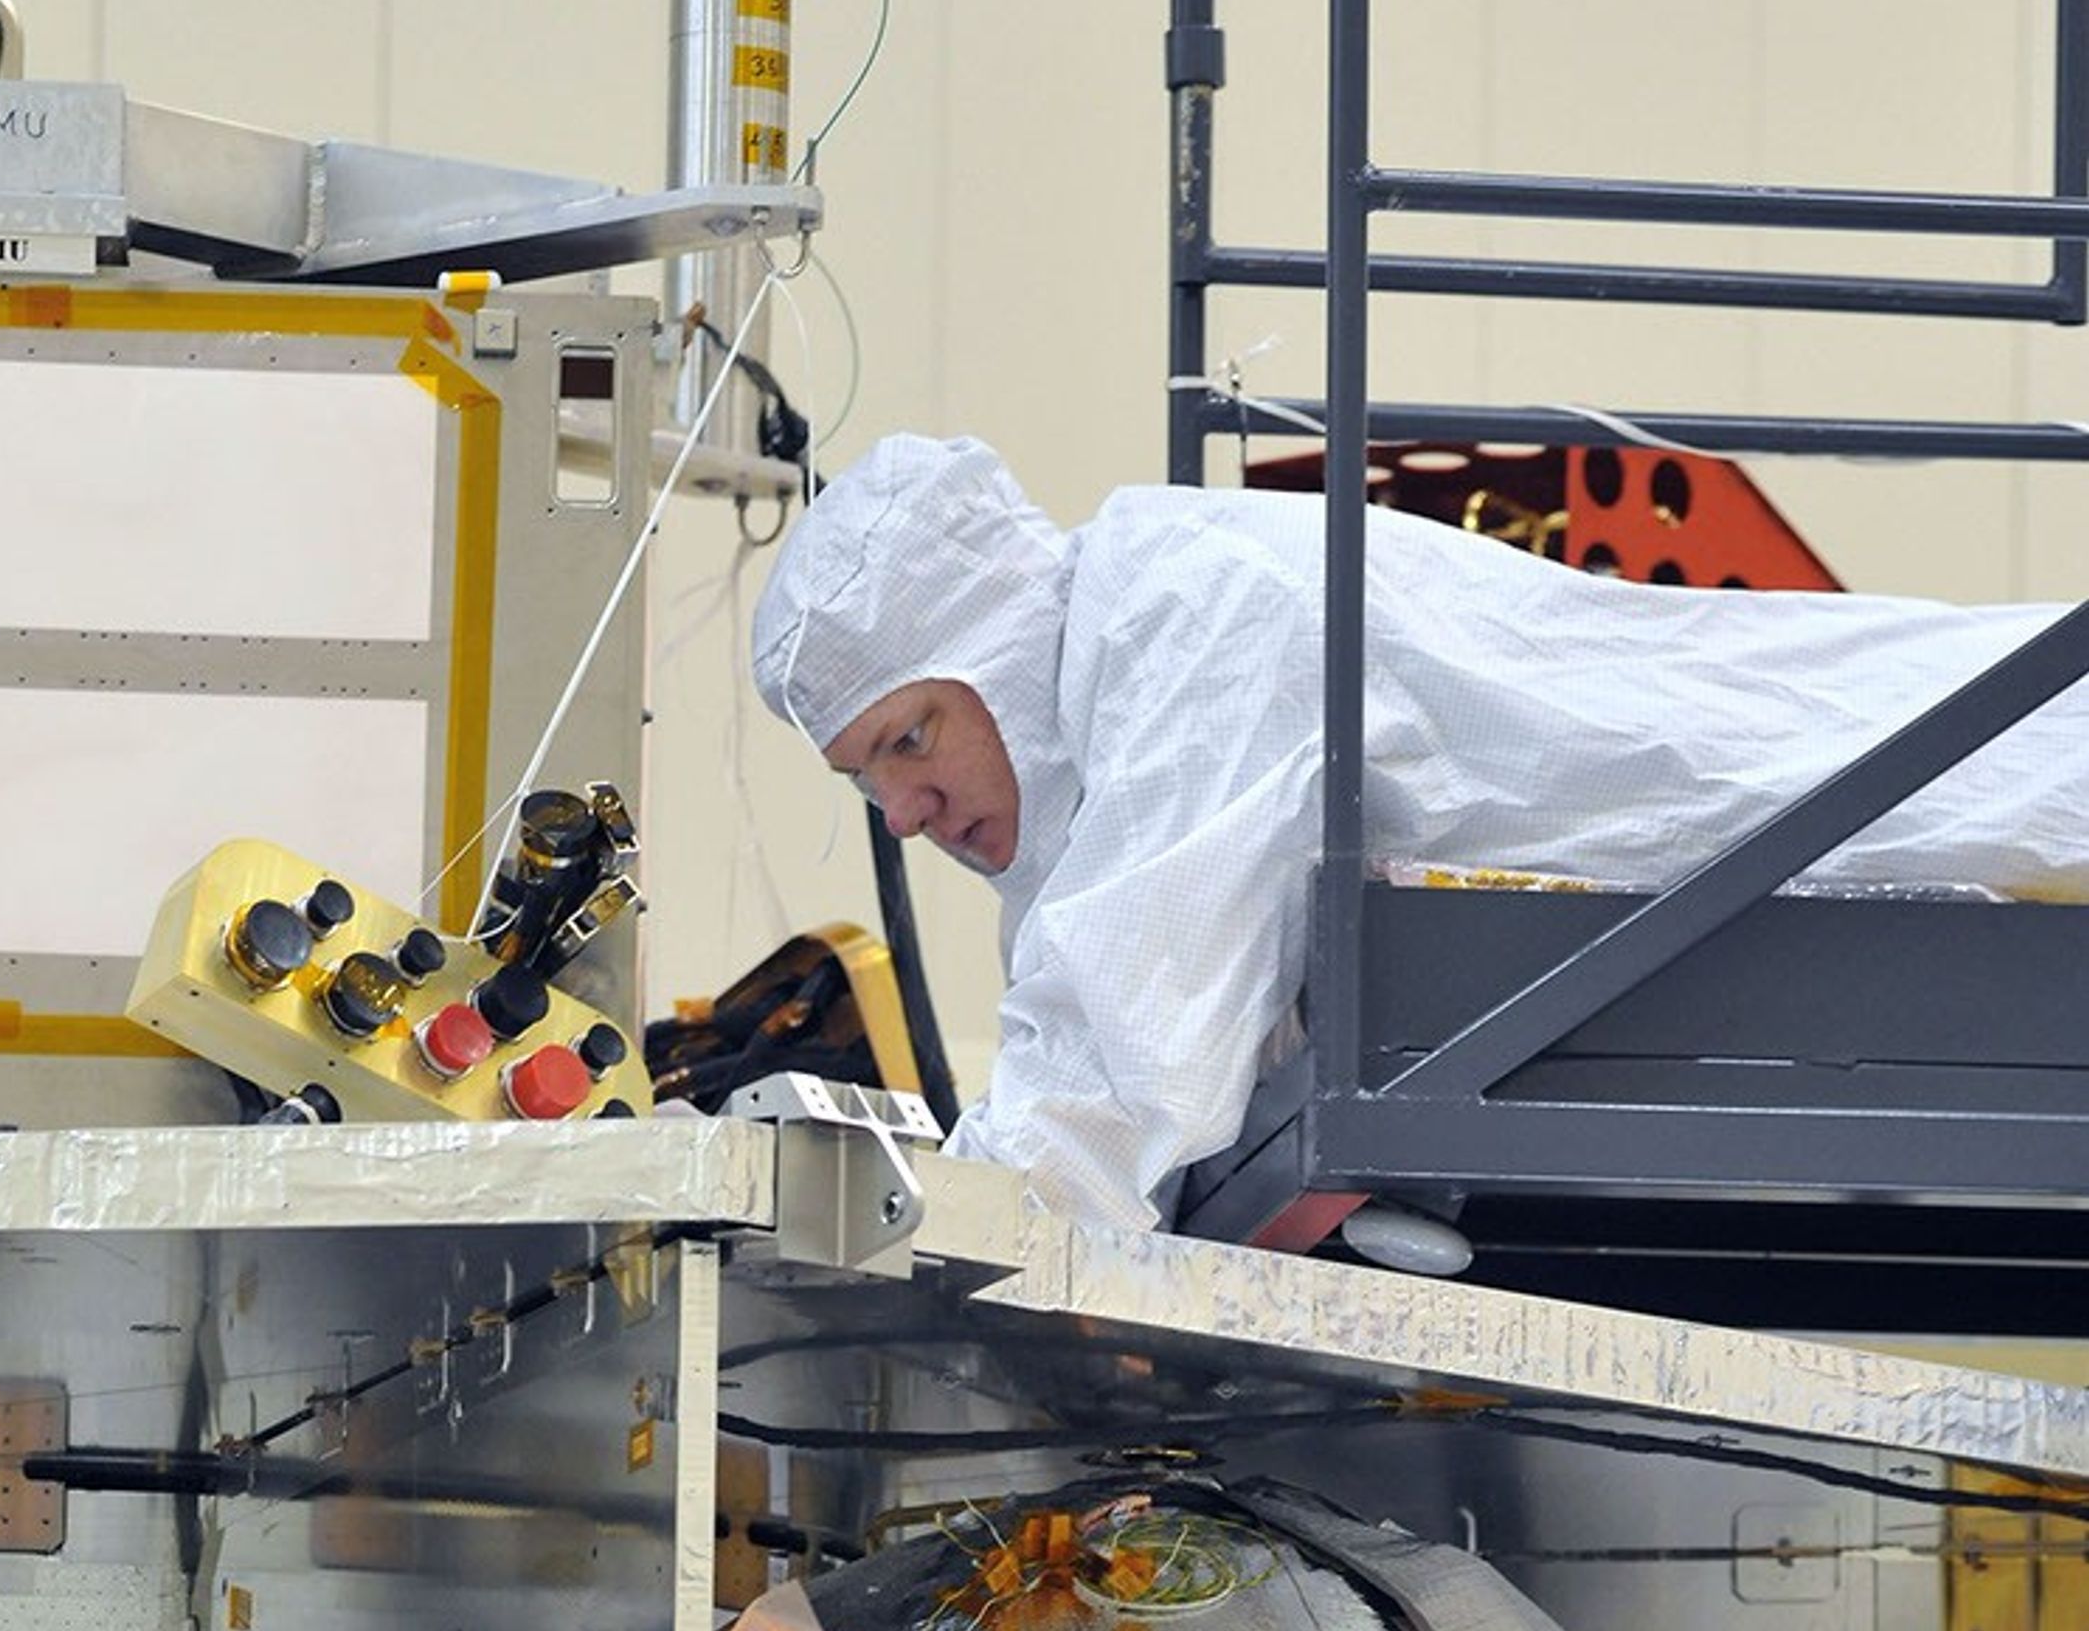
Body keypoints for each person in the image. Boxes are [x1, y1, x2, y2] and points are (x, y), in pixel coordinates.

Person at [751, 431, 2089, 1238]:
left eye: (912, 736)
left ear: (999, 643)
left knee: (1994, 752)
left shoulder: (1189, 615)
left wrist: (932, 1238)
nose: (905, 813)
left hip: (1883, 779)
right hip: (1810, 775)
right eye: (868, 778)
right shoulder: (1106, 679)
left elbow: (1116, 1050)